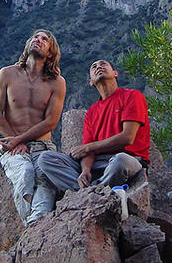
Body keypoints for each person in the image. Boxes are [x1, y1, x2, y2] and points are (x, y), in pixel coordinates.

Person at [0, 29, 66, 225]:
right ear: (28, 43)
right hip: (12, 145)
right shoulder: (7, 74)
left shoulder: (57, 83)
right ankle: (32, 225)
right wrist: (14, 141)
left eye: (44, 39)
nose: (38, 40)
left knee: (45, 179)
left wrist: (20, 140)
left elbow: (50, 121)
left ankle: (36, 223)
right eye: (35, 37)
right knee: (25, 173)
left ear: (51, 52)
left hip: (43, 147)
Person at [38, 59, 150, 192]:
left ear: (115, 73)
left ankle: (91, 192)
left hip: (126, 159)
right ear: (91, 82)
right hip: (97, 164)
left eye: (103, 64)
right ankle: (92, 189)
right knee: (46, 159)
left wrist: (87, 148)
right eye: (94, 66)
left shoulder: (132, 96)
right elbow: (88, 150)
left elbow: (128, 137)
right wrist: (85, 170)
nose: (98, 67)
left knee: (120, 161)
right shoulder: (92, 111)